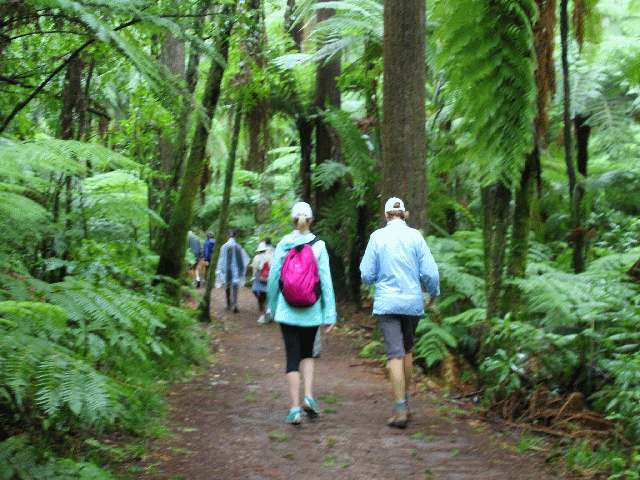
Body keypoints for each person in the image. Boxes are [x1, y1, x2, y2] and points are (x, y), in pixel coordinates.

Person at [360, 197, 440, 429]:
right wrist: (432, 293)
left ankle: (400, 407)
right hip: (412, 303)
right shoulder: (416, 237)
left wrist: (376, 279)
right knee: (406, 350)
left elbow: (366, 273)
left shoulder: (377, 237)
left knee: (394, 354)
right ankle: (406, 401)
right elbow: (431, 273)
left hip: (387, 303)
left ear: (386, 216)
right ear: (404, 214)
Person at [267, 202, 336, 425]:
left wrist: (273, 306)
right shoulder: (320, 246)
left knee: (292, 358)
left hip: (287, 311)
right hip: (312, 311)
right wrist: (330, 315)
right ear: (311, 220)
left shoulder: (284, 244)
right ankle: (309, 396)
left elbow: (273, 279)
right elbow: (326, 282)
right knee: (308, 353)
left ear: (293, 220)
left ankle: (295, 408)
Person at [215, 230, 249, 313]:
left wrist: (220, 270)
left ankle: (228, 303)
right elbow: (241, 260)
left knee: (227, 285)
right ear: (235, 236)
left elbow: (221, 259)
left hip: (226, 269)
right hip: (235, 270)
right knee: (235, 286)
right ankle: (235, 304)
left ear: (228, 236)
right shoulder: (238, 246)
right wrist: (241, 270)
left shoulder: (223, 246)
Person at [251, 240, 272, 324]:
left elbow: (254, 268)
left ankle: (262, 306)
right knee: (266, 292)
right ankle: (266, 311)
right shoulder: (270, 256)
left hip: (258, 276)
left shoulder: (256, 257)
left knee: (255, 290)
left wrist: (253, 276)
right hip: (267, 276)